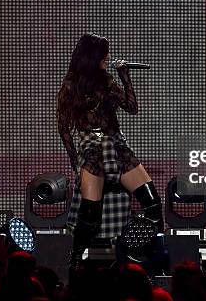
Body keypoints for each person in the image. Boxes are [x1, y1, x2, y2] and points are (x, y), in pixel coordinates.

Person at [57, 33, 163, 270]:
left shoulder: (106, 80)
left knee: (152, 204)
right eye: (104, 54)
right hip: (92, 151)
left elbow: (132, 107)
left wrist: (125, 78)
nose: (109, 57)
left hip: (117, 147)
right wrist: (76, 162)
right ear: (93, 57)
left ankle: (140, 254)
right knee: (91, 217)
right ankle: (74, 261)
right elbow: (63, 128)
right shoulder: (71, 85)